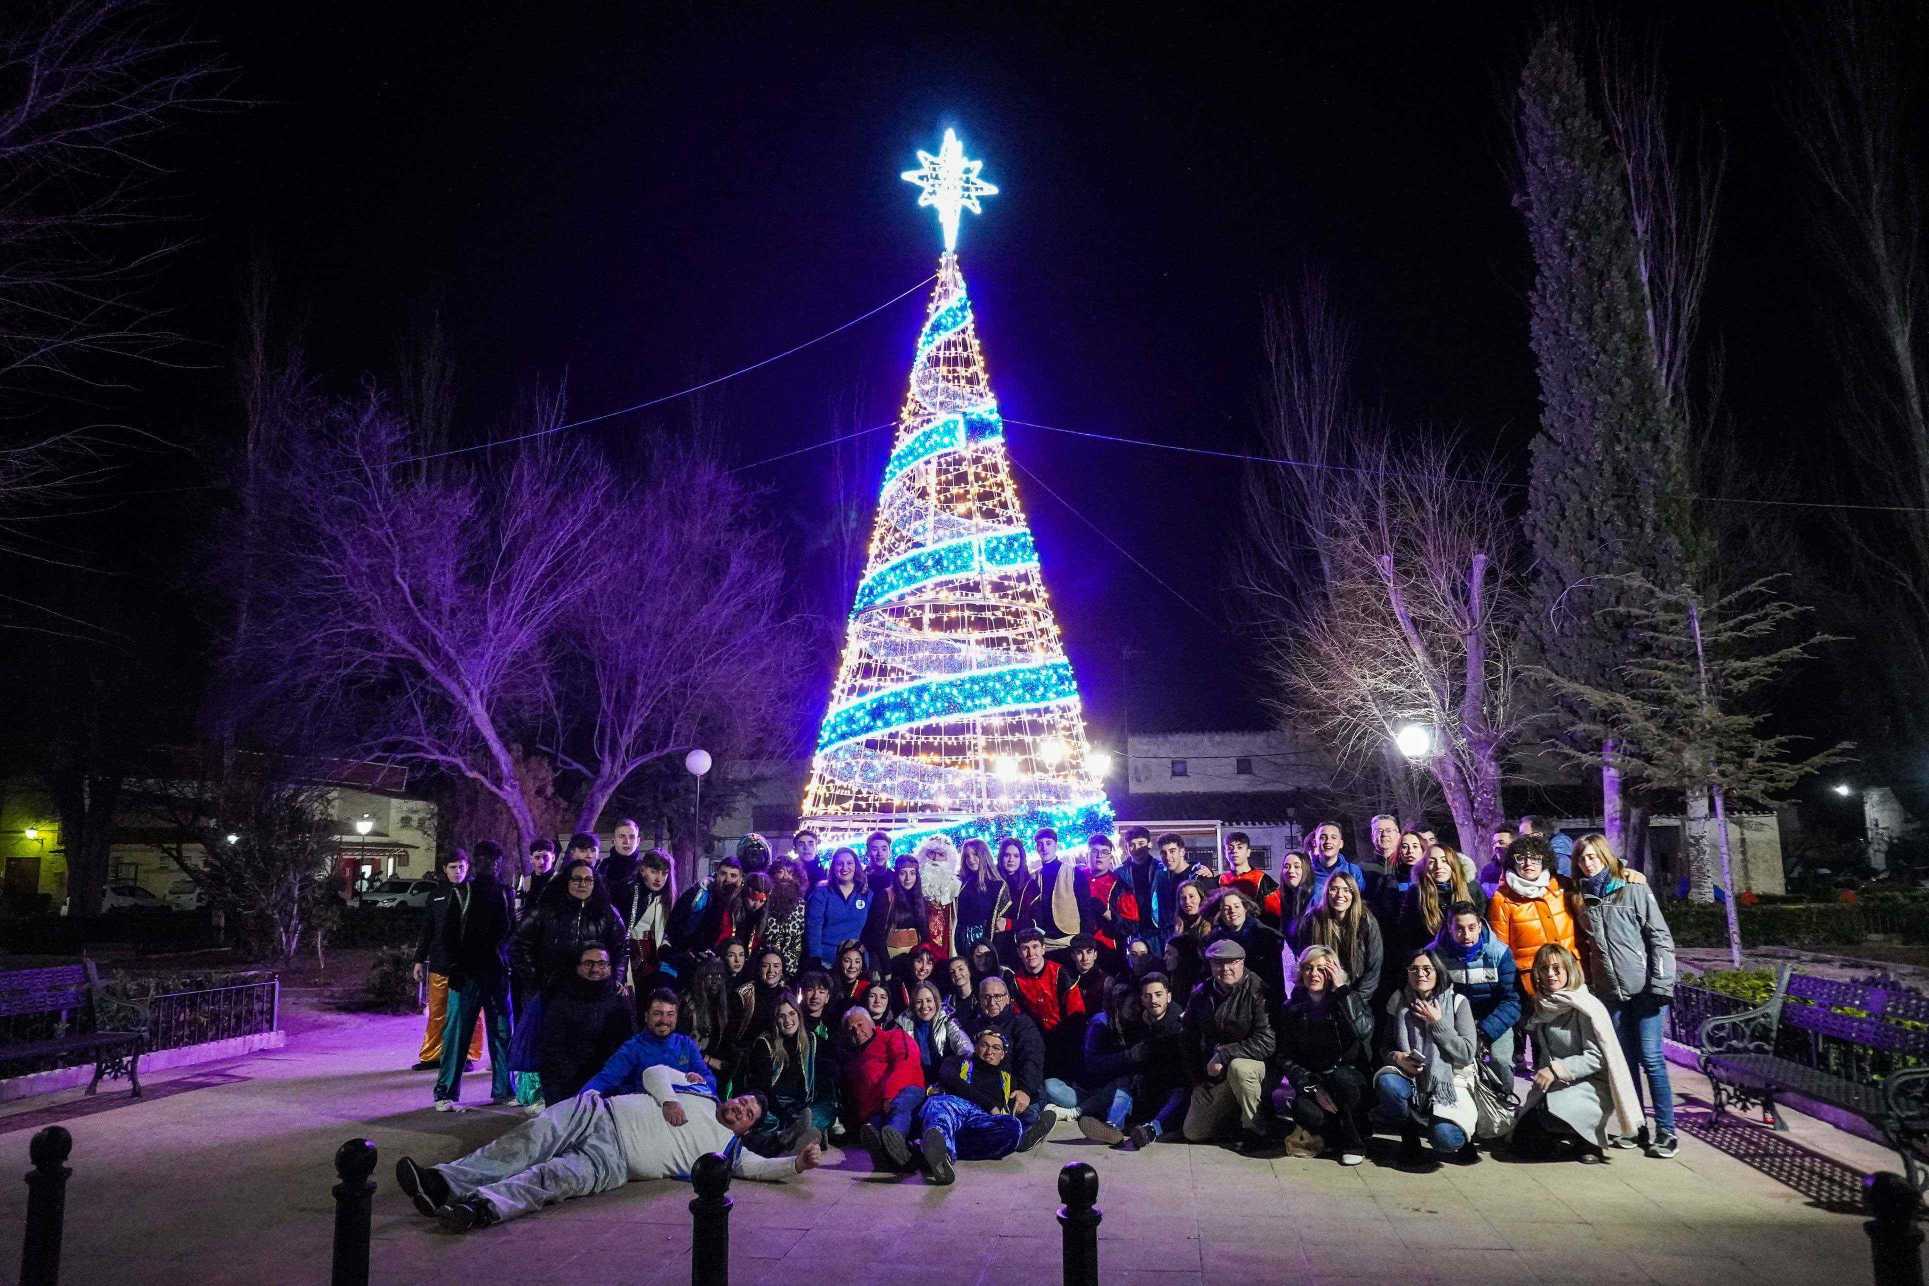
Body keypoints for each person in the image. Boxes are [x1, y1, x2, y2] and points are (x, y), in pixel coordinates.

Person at [395, 1067, 823, 1230]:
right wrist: (669, 1098)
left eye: (747, 1113)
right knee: (526, 1141)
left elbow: (764, 1168)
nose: (740, 1108)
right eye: (743, 1100)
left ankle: (481, 1207)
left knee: (551, 1179)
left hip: (612, 1161)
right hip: (596, 1112)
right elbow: (655, 1070)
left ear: (746, 1128)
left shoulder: (729, 1151)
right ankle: (442, 1182)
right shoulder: (701, 1092)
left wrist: (797, 1165)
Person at [1570, 833, 1679, 1157]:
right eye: (1582, 858)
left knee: (1652, 1060)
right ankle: (1635, 1126)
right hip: (1610, 993)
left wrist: (1660, 984)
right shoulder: (1579, 897)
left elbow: (1660, 937)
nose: (1588, 863)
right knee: (1625, 1063)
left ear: (1605, 856)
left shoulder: (1633, 887)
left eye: (1593, 856)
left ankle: (1667, 1131)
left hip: (1646, 990)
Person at [508, 857, 628, 1106]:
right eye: (576, 879)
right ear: (566, 881)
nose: (582, 884)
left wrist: (614, 978)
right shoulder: (547, 911)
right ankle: (550, 1100)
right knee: (554, 1051)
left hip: (595, 995)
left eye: (588, 879)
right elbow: (519, 945)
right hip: (557, 993)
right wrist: (536, 980)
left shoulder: (607, 914)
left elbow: (621, 949)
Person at [1511, 942, 1643, 1162]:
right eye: (1544, 969)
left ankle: (1589, 1142)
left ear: (1568, 971)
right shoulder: (1544, 1004)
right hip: (1559, 1083)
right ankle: (1567, 1136)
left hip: (1591, 1084)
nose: (1550, 975)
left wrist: (1556, 1070)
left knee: (1546, 1117)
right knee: (1522, 1142)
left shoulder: (1585, 1006)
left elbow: (1596, 1058)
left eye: (1557, 969)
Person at [1375, 948, 1478, 1167]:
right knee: (1387, 1083)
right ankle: (1409, 1136)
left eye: (1427, 969)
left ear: (1438, 972)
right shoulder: (1399, 1000)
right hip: (1411, 1077)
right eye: (1414, 969)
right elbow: (1384, 1047)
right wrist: (1399, 1058)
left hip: (1449, 1080)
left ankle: (1460, 1134)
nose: (1420, 974)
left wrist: (1437, 1022)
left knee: (1445, 1139)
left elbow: (1467, 1052)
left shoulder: (1458, 1002)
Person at [914, 1024, 1056, 1183]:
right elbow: (949, 1077)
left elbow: (1023, 1104)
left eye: (996, 1048)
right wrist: (990, 1105)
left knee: (1013, 1127)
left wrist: (1028, 1105)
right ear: (976, 1047)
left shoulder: (1008, 1079)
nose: (990, 1052)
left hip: (981, 1121)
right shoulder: (957, 1061)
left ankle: (933, 1152)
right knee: (939, 1108)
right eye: (985, 1045)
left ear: (1002, 1054)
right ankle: (940, 1152)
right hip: (953, 1107)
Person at [433, 842, 517, 1111]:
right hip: (467, 974)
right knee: (458, 1034)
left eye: (492, 860)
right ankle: (445, 1092)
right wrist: (453, 968)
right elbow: (447, 935)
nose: (488, 864)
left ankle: (503, 1089)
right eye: (483, 859)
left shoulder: (504, 892)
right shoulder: (462, 893)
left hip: (495, 975)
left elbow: (510, 934)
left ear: (499, 863)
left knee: (502, 1034)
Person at [1275, 944, 1375, 1165]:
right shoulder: (1293, 1007)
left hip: (1349, 1077)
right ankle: (1336, 1134)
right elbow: (1284, 1056)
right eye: (1308, 968)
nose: (1314, 974)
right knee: (1305, 1111)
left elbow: (1362, 1031)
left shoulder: (1349, 998)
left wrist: (1342, 991)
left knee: (1342, 1081)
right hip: (1316, 1080)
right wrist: (1312, 1086)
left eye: (1322, 969)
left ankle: (1353, 1143)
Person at [1180, 939, 1276, 1153]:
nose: (1225, 969)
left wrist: (1224, 1054)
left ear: (1242, 962)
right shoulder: (1201, 994)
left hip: (1256, 1069)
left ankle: (1256, 1130)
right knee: (1193, 1131)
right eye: (1218, 963)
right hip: (1217, 1074)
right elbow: (1187, 1040)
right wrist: (1197, 1081)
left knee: (1239, 1068)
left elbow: (1267, 1041)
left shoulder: (1258, 991)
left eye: (1232, 962)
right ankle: (1234, 1119)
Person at [1485, 834, 1577, 1013]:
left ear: (1545, 860)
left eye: (1535, 857)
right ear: (1513, 861)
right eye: (1521, 858)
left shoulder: (1562, 886)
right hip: (1533, 985)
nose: (1528, 863)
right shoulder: (1502, 899)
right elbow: (1501, 951)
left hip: (1572, 976)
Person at [534, 945, 634, 1106]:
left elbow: (628, 1048)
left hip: (609, 1090)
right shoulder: (561, 1002)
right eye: (588, 963)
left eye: (602, 963)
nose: (595, 969)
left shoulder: (619, 1001)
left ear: (610, 967)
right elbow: (551, 1053)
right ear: (578, 967)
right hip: (570, 1090)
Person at [739, 993, 837, 1156]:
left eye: (792, 1014)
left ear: (799, 1015)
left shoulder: (812, 1040)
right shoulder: (765, 1043)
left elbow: (824, 1080)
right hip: (774, 1106)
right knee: (764, 1119)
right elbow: (762, 1088)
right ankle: (797, 1138)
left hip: (802, 1106)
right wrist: (785, 1113)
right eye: (781, 1016)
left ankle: (793, 1136)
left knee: (826, 1109)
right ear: (776, 1020)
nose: (788, 1020)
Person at [412, 851, 483, 1071]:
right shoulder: (436, 895)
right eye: (453, 867)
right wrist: (418, 960)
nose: (458, 872)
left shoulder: (477, 894)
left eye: (461, 867)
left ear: (468, 867)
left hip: (469, 966)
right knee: (437, 1011)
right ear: (445, 869)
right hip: (440, 964)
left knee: (470, 1013)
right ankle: (432, 1055)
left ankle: (468, 1056)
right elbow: (427, 930)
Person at [1433, 902, 1522, 1074]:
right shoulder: (1436, 956)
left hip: (1493, 1017)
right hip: (1454, 1020)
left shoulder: (1499, 953)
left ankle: (1504, 1098)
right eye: (1459, 928)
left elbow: (1511, 1001)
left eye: (1472, 927)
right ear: (1449, 928)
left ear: (1480, 926)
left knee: (1500, 1062)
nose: (1466, 935)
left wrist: (1484, 1033)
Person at [1009, 927, 1088, 1111]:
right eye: (1025, 948)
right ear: (1019, 952)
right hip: (1039, 1047)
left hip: (1068, 1045)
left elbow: (1077, 1017)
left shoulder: (1060, 973)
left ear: (1043, 949)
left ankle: (1080, 1104)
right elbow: (1019, 1019)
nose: (1031, 953)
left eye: (1035, 947)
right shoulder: (1016, 981)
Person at [839, 1007, 926, 1172]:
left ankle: (896, 1138)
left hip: (906, 1089)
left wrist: (889, 1094)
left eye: (860, 1024)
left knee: (898, 1108)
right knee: (874, 1127)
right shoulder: (855, 1060)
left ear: (871, 1023)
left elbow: (906, 1061)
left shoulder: (893, 1035)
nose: (857, 1031)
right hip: (878, 1106)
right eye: (851, 1029)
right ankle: (893, 1159)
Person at [968, 974, 1047, 1128]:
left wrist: (1025, 1090)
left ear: (1007, 997)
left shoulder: (1022, 1023)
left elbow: (1031, 1058)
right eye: (987, 997)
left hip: (1019, 1087)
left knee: (1025, 1116)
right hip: (986, 1091)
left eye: (998, 996)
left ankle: (1033, 1127)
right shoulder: (973, 1027)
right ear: (979, 999)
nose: (992, 1002)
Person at [1292, 873, 1383, 1003]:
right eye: (1334, 889)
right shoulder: (1312, 921)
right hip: (1322, 995)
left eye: (1346, 890)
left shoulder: (1367, 921)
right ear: (1327, 893)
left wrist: (1354, 1002)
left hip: (1357, 995)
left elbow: (1373, 968)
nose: (1340, 895)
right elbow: (1305, 961)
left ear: (1354, 894)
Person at [1392, 841, 1473, 969]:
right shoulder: (1416, 893)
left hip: (1467, 959)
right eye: (1432, 861)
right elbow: (1407, 936)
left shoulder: (1472, 890)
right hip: (1432, 962)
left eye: (1444, 860)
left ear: (1453, 864)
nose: (1438, 866)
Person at [1204, 887, 1285, 1000]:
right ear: (1220, 913)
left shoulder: (1267, 937)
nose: (1232, 911)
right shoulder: (1214, 940)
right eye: (1227, 909)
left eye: (1237, 906)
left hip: (1259, 996)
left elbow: (1276, 978)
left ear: (1245, 908)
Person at [1027, 826, 1094, 952]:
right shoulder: (1034, 876)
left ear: (1056, 846)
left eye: (1048, 843)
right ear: (1036, 848)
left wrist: (1085, 940)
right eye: (1040, 844)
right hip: (1043, 942)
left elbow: (1085, 909)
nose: (1044, 847)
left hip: (1070, 940)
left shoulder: (1074, 872)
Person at [667, 856, 744, 963]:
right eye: (723, 874)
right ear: (717, 874)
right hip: (695, 958)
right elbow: (675, 923)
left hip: (727, 961)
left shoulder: (742, 902)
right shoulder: (700, 893)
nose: (727, 879)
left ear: (740, 879)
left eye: (733, 875)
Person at [805, 848, 870, 970]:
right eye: (840, 864)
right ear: (833, 867)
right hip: (826, 960)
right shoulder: (821, 892)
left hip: (854, 962)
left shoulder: (866, 894)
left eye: (849, 863)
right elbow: (813, 927)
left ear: (856, 866)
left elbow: (871, 931)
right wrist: (815, 957)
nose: (845, 868)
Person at [894, 980, 972, 1077]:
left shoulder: (946, 1018)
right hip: (914, 1079)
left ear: (936, 1001)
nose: (924, 1006)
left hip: (945, 1078)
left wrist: (966, 1059)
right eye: (919, 1002)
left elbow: (961, 1041)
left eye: (929, 1000)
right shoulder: (903, 1023)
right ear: (913, 1005)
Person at [1150, 834, 1213, 952]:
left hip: (1194, 938)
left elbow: (1210, 907)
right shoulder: (1160, 876)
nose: (1168, 856)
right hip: (1167, 938)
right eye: (1164, 852)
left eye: (1172, 851)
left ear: (1182, 852)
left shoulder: (1198, 876)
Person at [867, 852, 929, 962]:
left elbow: (924, 933)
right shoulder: (886, 896)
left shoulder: (920, 898)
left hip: (914, 958)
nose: (908, 878)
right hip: (891, 957)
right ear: (896, 875)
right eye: (903, 873)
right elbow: (877, 935)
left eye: (912, 873)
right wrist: (887, 968)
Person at [755, 857, 808, 976]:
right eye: (780, 872)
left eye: (790, 873)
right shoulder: (764, 902)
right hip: (766, 969)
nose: (785, 877)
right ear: (772, 875)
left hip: (792, 970)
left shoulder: (803, 905)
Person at [990, 837, 1040, 957]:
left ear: (1021, 859)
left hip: (1021, 947)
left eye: (1016, 856)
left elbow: (1037, 921)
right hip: (993, 945)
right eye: (1007, 855)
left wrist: (1009, 924)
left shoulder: (1030, 885)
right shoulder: (991, 882)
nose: (1011, 859)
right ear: (1001, 857)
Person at [953, 838, 1002, 956]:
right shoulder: (961, 882)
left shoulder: (997, 885)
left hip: (983, 941)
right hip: (959, 940)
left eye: (975, 854)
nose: (970, 859)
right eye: (966, 856)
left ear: (983, 855)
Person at [1305, 822, 1366, 905]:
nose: (1328, 841)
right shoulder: (1306, 872)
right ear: (1315, 842)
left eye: (1333, 837)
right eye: (1323, 837)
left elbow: (1361, 902)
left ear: (1341, 844)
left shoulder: (1353, 871)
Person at [1219, 831, 1279, 908]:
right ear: (1225, 853)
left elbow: (1274, 912)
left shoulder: (1263, 880)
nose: (1234, 851)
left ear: (1248, 852)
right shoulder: (1221, 880)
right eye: (1230, 848)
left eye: (1239, 847)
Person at [1264, 850, 1316, 937]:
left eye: (1297, 866)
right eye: (1286, 866)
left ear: (1305, 870)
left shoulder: (1315, 899)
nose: (1291, 870)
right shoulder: (1275, 899)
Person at [1364, 814, 1403, 900]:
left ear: (1398, 835)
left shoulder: (1408, 865)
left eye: (1389, 830)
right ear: (1372, 836)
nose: (1384, 834)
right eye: (1379, 831)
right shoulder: (1360, 868)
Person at [519, 839, 558, 916]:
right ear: (531, 859)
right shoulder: (526, 881)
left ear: (553, 858)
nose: (541, 862)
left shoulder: (560, 881)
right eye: (537, 857)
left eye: (545, 857)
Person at [1478, 827, 1514, 901]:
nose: (1497, 846)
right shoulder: (1487, 870)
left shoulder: (1524, 868)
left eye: (1501, 842)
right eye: (1494, 843)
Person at [862, 830, 895, 895]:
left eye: (884, 849)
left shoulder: (895, 878)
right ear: (867, 852)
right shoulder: (860, 878)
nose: (879, 853)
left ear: (890, 852)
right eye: (875, 849)